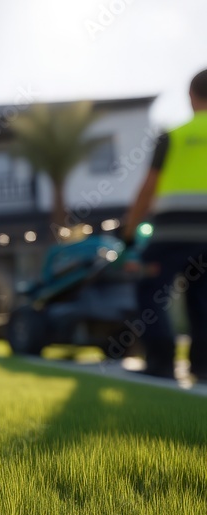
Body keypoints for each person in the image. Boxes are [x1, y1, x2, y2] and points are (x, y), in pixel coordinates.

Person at [123, 68, 207, 378]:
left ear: (191, 96)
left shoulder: (173, 135)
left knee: (150, 290)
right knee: (202, 297)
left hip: (172, 233)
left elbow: (148, 188)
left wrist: (128, 234)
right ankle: (203, 366)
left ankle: (160, 363)